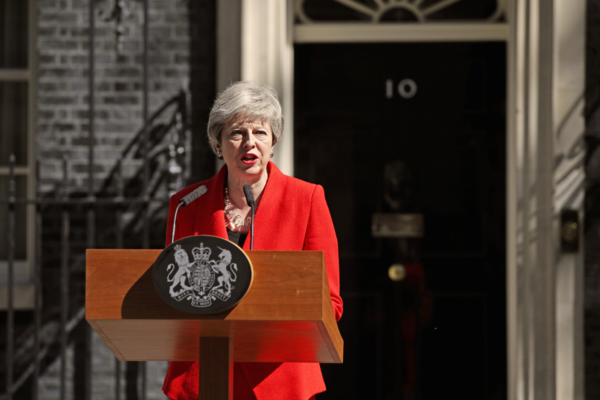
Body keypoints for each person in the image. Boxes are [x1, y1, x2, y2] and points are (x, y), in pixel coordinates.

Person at [162, 81, 343, 400]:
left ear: (273, 141)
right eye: (236, 133)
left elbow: (329, 301)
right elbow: (171, 292)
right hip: (204, 377)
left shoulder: (307, 198)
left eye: (260, 132)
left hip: (280, 379)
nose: (250, 143)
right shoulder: (187, 203)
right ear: (218, 143)